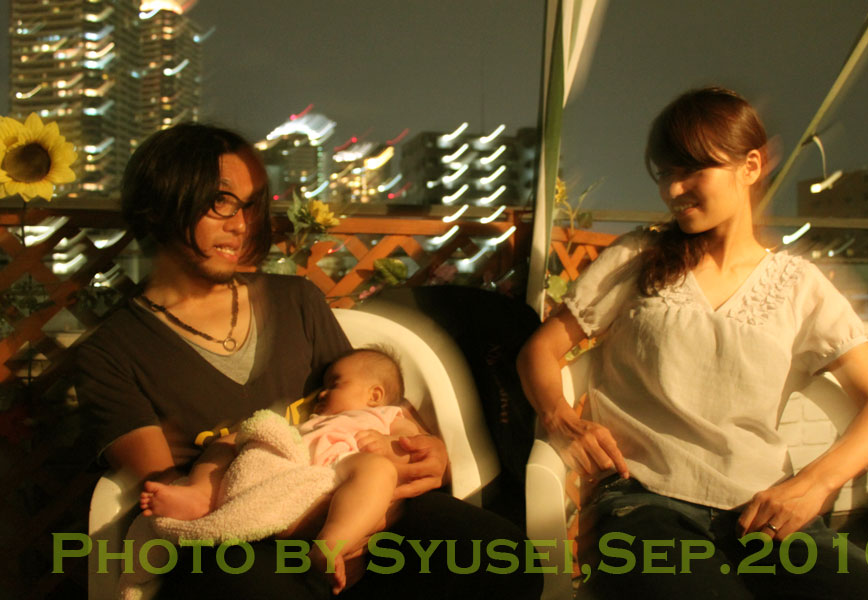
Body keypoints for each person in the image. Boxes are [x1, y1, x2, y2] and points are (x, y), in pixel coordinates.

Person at [77, 123, 541, 599]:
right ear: (161, 202)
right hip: (237, 534)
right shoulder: (111, 354)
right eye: (221, 201)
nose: (241, 224)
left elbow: (371, 405)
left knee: (503, 559)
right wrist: (330, 523)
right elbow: (164, 491)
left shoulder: (296, 301)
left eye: (251, 205)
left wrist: (427, 453)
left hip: (358, 502)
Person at [517, 87, 868, 599]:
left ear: (751, 166)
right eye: (665, 173)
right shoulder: (638, 258)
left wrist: (813, 484)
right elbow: (540, 350)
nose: (673, 189)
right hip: (643, 503)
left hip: (765, 512)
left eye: (692, 169)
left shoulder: (798, 286)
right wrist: (562, 419)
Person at [140, 347, 423, 594]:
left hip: (343, 473)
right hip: (291, 473)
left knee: (377, 469)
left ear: (375, 395)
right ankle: (201, 492)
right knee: (233, 439)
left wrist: (388, 442)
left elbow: (412, 442)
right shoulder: (312, 421)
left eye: (335, 384)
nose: (322, 393)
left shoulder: (384, 416)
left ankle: (331, 543)